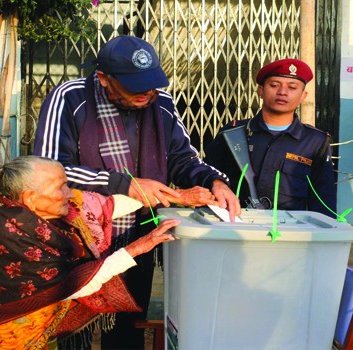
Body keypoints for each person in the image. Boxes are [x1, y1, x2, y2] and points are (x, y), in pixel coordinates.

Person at [33, 35, 241, 349]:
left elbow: (183, 158)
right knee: (73, 332)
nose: (147, 93)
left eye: (151, 84)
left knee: (128, 330)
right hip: (78, 237)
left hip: (138, 236)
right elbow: (47, 171)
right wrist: (123, 184)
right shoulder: (69, 99)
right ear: (103, 79)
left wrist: (215, 181)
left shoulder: (161, 103)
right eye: (135, 87)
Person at [0, 156, 180, 349]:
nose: (70, 193)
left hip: (40, 329)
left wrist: (174, 196)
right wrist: (137, 247)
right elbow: (72, 285)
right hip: (1, 336)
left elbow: (102, 206)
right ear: (30, 198)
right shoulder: (7, 234)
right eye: (61, 187)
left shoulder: (33, 206)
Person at [204, 58, 337, 217]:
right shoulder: (233, 133)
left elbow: (324, 199)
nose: (282, 92)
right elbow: (207, 177)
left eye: (292, 87)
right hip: (234, 224)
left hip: (289, 232)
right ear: (260, 90)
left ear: (303, 96)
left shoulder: (315, 141)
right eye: (274, 85)